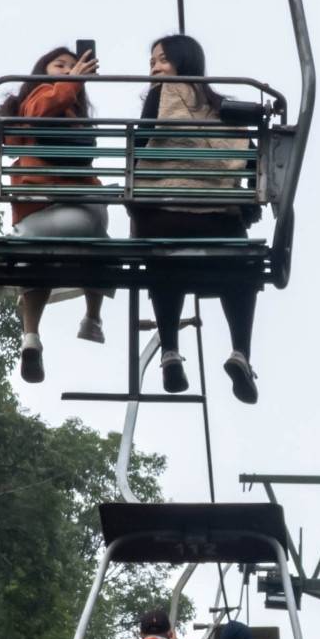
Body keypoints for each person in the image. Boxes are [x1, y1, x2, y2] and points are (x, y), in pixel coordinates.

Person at [133, 34, 262, 404]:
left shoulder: (161, 98)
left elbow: (140, 148)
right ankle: (241, 352)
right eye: (152, 63)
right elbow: (250, 157)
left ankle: (170, 351)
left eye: (161, 60)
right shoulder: (223, 108)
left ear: (183, 63)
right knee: (241, 265)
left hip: (161, 220)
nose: (154, 69)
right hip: (219, 224)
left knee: (163, 262)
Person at [0, 45, 111, 383]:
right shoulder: (40, 98)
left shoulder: (71, 114)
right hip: (62, 211)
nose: (66, 70)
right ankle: (90, 320)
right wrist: (72, 82)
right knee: (99, 246)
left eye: (71, 66)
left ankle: (34, 334)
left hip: (42, 215)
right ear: (41, 72)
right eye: (58, 65)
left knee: (39, 260)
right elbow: (39, 110)